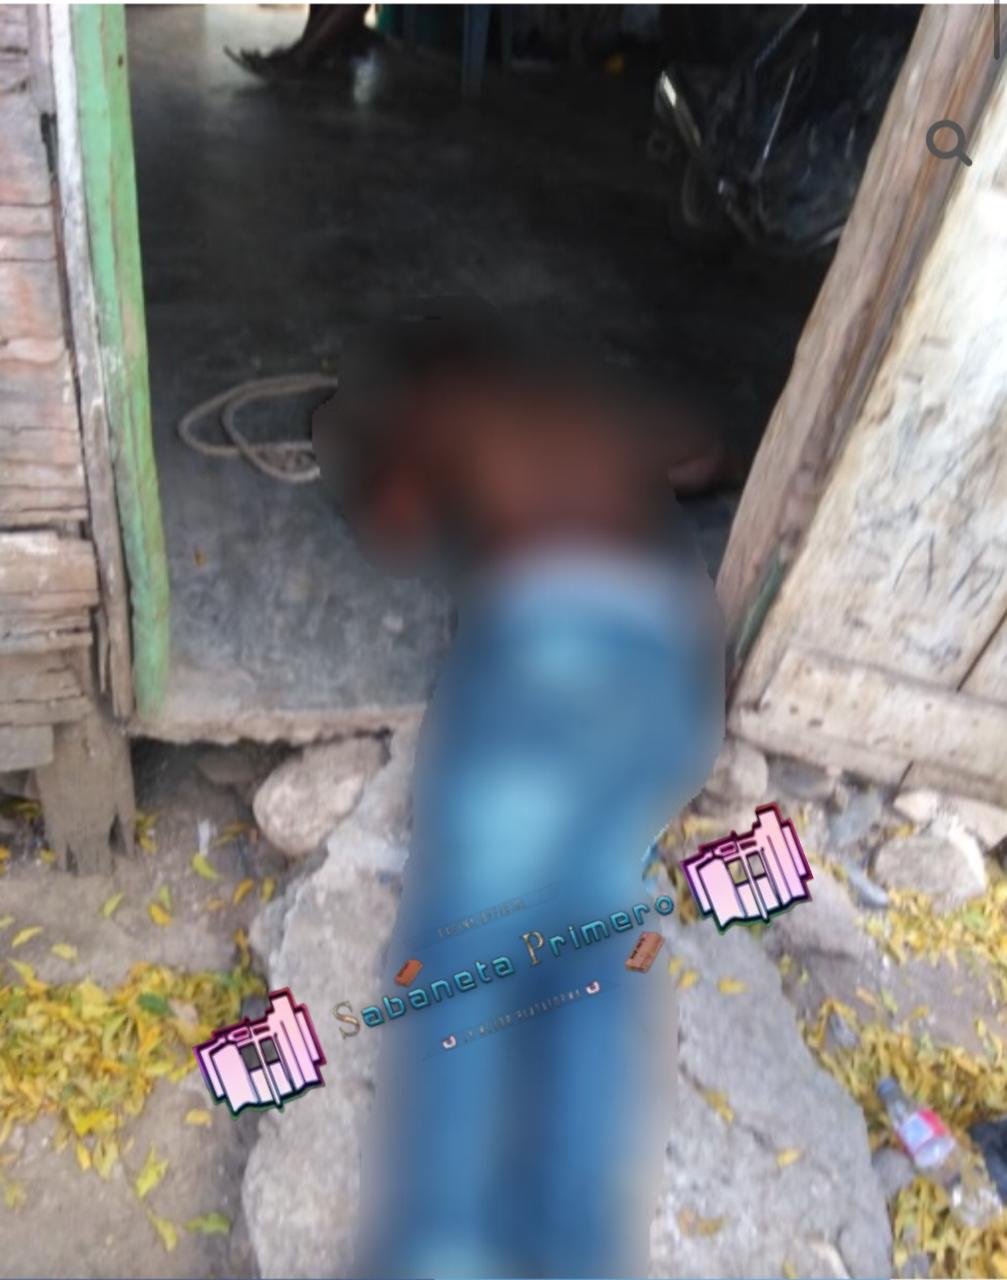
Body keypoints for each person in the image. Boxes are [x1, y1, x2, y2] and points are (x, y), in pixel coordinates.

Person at [313, 300, 725, 1278]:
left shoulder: (444, 409)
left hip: (552, 655)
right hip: (669, 681)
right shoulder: (600, 411)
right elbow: (705, 457)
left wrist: (361, 449)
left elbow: (394, 525)